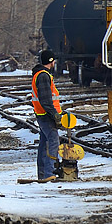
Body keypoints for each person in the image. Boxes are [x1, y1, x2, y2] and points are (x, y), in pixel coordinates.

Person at [31, 49, 64, 180]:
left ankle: (43, 174)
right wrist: (55, 115)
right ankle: (50, 173)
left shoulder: (40, 74)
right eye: (53, 60)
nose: (55, 62)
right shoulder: (43, 76)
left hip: (43, 114)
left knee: (44, 143)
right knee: (53, 142)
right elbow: (45, 100)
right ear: (50, 61)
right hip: (46, 115)